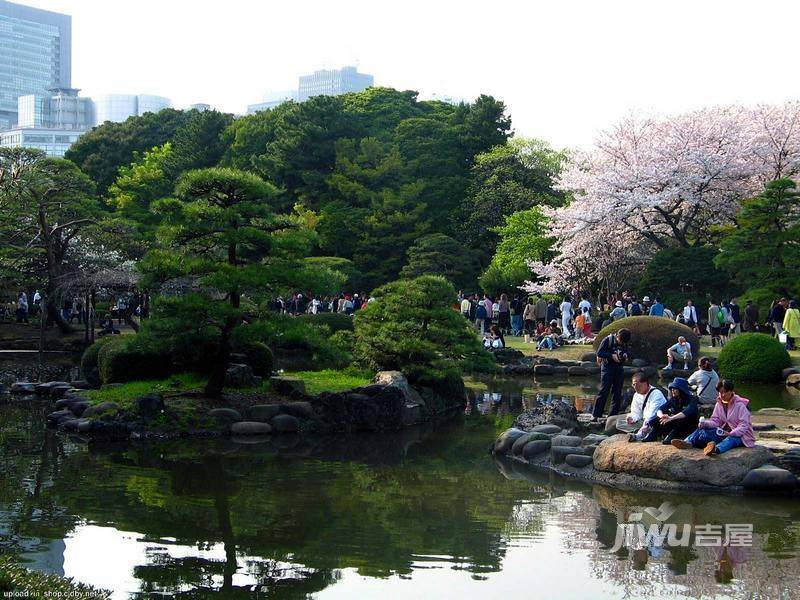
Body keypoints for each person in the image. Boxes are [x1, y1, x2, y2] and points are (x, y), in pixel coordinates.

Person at [672, 380, 755, 456]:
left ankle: (715, 449)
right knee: (701, 430)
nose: (722, 395)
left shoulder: (740, 405)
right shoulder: (719, 404)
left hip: (741, 436)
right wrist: (705, 424)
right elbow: (716, 421)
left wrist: (731, 433)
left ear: (732, 391)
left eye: (725, 392)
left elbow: (744, 426)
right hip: (723, 431)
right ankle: (687, 442)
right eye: (720, 392)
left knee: (731, 440)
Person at [640, 377, 699, 444]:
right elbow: (660, 409)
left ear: (681, 390)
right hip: (676, 421)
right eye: (672, 389)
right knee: (658, 419)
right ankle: (653, 434)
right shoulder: (674, 399)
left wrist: (671, 418)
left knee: (679, 420)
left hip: (689, 424)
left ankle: (672, 436)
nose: (672, 391)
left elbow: (686, 413)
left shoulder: (691, 400)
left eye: (675, 389)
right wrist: (662, 416)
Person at [592, 328, 631, 420]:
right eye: (620, 341)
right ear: (617, 336)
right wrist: (611, 356)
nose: (621, 343)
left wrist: (625, 356)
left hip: (619, 368)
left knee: (617, 392)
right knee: (604, 390)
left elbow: (627, 351)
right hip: (607, 367)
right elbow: (599, 353)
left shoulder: (625, 341)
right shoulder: (608, 340)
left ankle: (612, 416)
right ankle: (596, 414)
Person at [617, 370, 667, 437]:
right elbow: (636, 412)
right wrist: (632, 418)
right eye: (633, 385)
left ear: (645, 383)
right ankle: (640, 431)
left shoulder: (656, 394)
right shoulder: (636, 395)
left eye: (637, 385)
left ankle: (644, 432)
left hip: (655, 422)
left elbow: (652, 414)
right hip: (642, 420)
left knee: (650, 424)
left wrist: (645, 424)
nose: (635, 387)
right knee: (619, 423)